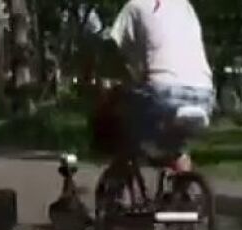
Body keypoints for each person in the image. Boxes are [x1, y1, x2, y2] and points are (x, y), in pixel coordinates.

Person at [92, 0, 216, 172]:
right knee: (176, 146)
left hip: (164, 92)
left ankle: (133, 161)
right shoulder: (185, 6)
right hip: (205, 94)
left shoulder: (135, 5)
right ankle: (183, 179)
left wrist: (109, 79)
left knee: (123, 112)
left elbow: (113, 49)